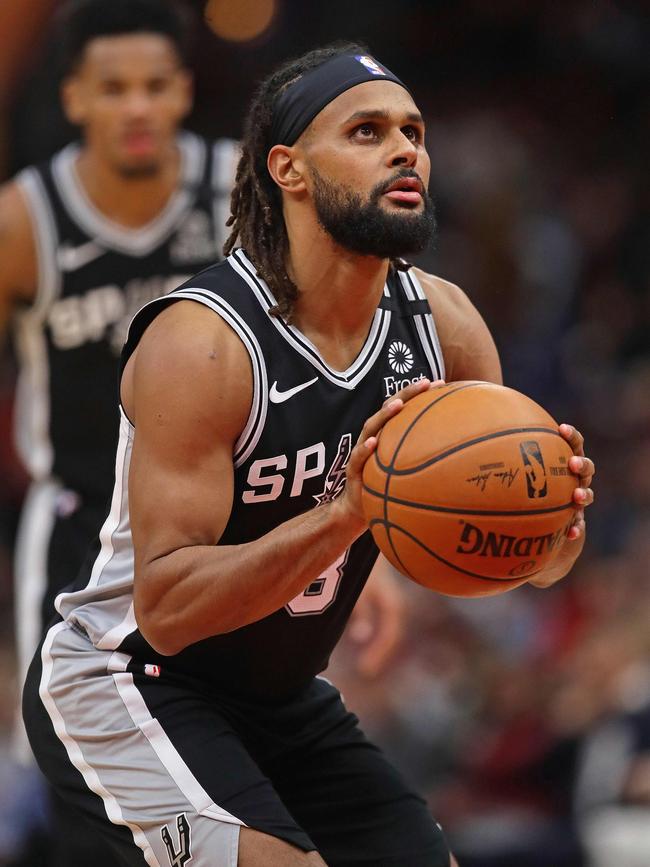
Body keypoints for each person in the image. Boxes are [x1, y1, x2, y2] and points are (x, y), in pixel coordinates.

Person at [23, 42, 595, 867]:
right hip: (131, 680)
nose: (405, 150)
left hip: (281, 696)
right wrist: (350, 512)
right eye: (366, 131)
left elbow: (509, 571)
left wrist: (550, 537)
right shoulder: (205, 343)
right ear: (287, 169)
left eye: (414, 131)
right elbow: (170, 610)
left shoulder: (448, 327)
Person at [0, 0, 237, 863]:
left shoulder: (237, 194)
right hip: (80, 531)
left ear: (182, 91)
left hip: (223, 524)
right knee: (88, 793)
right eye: (113, 88)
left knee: (241, 771)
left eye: (153, 85)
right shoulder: (25, 224)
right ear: (74, 99)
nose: (135, 106)